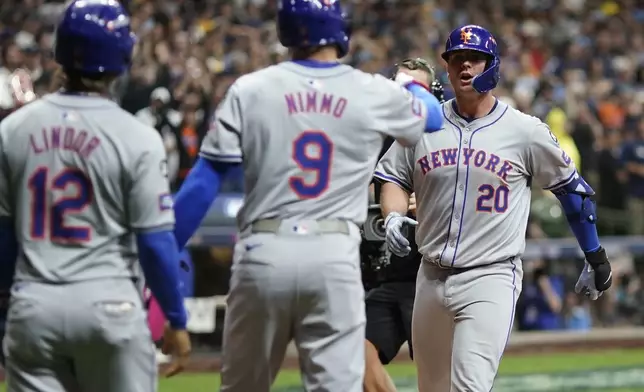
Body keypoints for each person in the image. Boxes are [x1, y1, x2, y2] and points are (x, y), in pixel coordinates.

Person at [170, 1, 443, 390]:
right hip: (332, 255)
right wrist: (411, 86)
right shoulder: (368, 89)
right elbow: (432, 116)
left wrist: (163, 256)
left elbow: (201, 184)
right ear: (341, 33)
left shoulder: (250, 88)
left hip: (263, 251)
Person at [375, 24, 613, 391]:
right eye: (456, 60)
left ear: (493, 66)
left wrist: (595, 256)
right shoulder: (423, 125)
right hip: (430, 274)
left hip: (490, 276)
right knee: (431, 388)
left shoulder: (524, 130)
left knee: (470, 386)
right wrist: (392, 215)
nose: (464, 67)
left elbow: (573, 192)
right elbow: (392, 176)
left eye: (474, 59)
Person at [0, 1, 190, 390]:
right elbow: (154, 243)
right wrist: (175, 316)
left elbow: (3, 238)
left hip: (34, 305)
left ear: (60, 53)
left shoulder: (13, 130)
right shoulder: (137, 136)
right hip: (110, 305)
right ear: (122, 58)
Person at [363, 58, 445, 392]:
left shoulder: (444, 139)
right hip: (384, 274)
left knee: (442, 378)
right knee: (354, 356)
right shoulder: (368, 140)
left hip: (433, 275)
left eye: (416, 90)